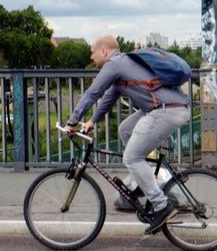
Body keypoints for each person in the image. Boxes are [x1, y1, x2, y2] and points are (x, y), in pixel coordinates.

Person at [62, 35, 190, 234]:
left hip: (165, 110)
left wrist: (71, 122)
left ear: (104, 51)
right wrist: (91, 122)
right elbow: (107, 98)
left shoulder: (114, 64)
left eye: (93, 52)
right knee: (125, 130)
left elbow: (92, 93)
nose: (91, 57)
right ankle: (144, 181)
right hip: (168, 107)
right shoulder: (123, 66)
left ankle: (162, 206)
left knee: (131, 157)